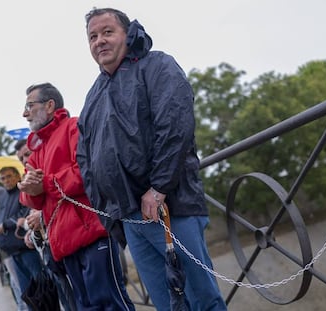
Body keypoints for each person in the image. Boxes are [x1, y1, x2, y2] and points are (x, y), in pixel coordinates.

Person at [77, 7, 227, 310]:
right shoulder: (94, 94)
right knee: (165, 304)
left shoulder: (157, 66)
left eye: (108, 32)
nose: (100, 41)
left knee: (201, 300)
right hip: (130, 219)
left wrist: (158, 188)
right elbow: (86, 159)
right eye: (93, 36)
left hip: (171, 207)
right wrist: (109, 214)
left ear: (127, 33)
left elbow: (176, 127)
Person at [18, 82, 135, 310]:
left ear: (50, 105)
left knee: (110, 304)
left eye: (29, 106)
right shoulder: (37, 150)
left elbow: (87, 171)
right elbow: (30, 197)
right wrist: (29, 189)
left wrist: (45, 184)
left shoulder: (74, 127)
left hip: (92, 233)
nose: (25, 113)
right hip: (63, 243)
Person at [15, 138, 77, 311]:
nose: (25, 160)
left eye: (27, 154)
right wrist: (31, 231)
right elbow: (34, 212)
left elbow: (65, 201)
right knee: (65, 298)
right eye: (21, 159)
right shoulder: (27, 181)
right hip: (49, 249)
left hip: (69, 242)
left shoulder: (50, 170)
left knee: (79, 298)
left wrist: (42, 216)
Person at [0, 166, 42, 311]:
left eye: (9, 176)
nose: (6, 180)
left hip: (26, 249)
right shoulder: (4, 199)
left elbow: (25, 212)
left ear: (17, 176)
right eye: (3, 178)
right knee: (27, 293)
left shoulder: (22, 192)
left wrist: (7, 224)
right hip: (13, 253)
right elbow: (0, 219)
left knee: (40, 287)